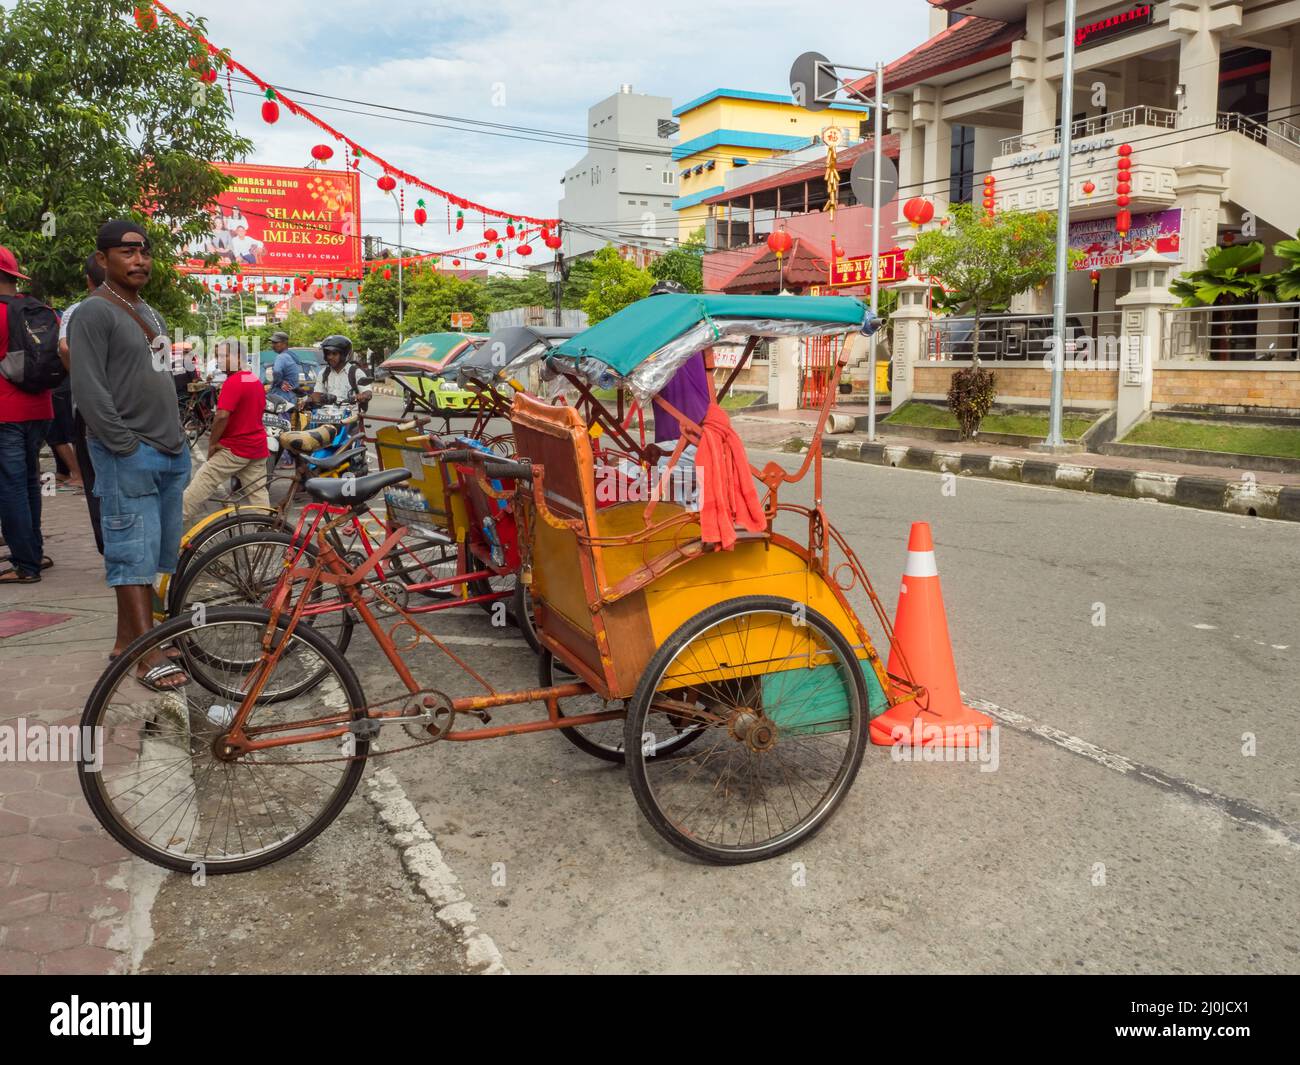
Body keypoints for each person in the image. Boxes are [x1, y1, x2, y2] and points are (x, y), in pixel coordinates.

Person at [70, 220, 190, 690]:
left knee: (152, 557)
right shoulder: (93, 312)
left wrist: (175, 439)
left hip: (168, 450)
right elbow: (89, 390)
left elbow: (161, 377)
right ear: (103, 259)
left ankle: (128, 645)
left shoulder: (150, 313)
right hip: (129, 452)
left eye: (145, 251)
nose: (140, 259)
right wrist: (124, 445)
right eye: (127, 251)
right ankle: (147, 656)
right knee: (130, 556)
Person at [0, 245, 56, 584]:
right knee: (29, 482)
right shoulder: (42, 310)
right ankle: (33, 551)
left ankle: (26, 565)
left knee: (11, 487)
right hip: (41, 408)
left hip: (6, 413)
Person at [181, 339, 269, 525]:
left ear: (239, 357)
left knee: (203, 481)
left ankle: (175, 524)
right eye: (218, 356)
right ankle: (267, 535)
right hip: (256, 447)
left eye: (223, 356)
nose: (219, 360)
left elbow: (221, 416)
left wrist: (213, 443)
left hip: (236, 448)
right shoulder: (253, 379)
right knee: (258, 494)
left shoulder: (234, 382)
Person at [58, 254, 108, 551]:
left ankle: (108, 545)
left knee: (95, 481)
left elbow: (64, 348)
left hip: (89, 410)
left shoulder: (76, 311)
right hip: (132, 411)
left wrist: (87, 376)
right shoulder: (140, 310)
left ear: (88, 280)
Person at [305, 334, 372, 410]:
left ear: (344, 354)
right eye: (328, 354)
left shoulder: (355, 372)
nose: (330, 357)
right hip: (327, 415)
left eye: (334, 354)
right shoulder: (324, 373)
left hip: (350, 416)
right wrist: (308, 400)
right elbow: (317, 393)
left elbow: (368, 393)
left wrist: (362, 396)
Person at [269, 331, 300, 396]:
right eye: (272, 343)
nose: (273, 345)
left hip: (282, 395)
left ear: (284, 343)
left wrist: (280, 383)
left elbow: (277, 371)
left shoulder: (281, 357)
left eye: (276, 343)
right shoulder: (291, 355)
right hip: (292, 394)